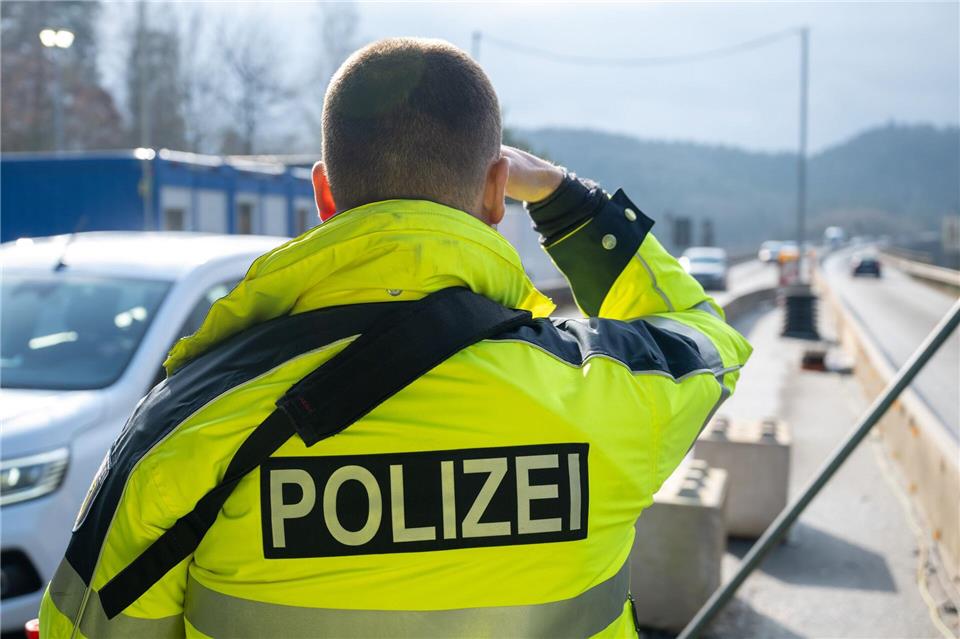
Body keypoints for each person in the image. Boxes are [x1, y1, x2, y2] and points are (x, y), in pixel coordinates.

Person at [39, 37, 751, 638]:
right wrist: (566, 197)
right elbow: (703, 334)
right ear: (497, 192)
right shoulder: (607, 395)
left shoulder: (184, 430)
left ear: (324, 194)